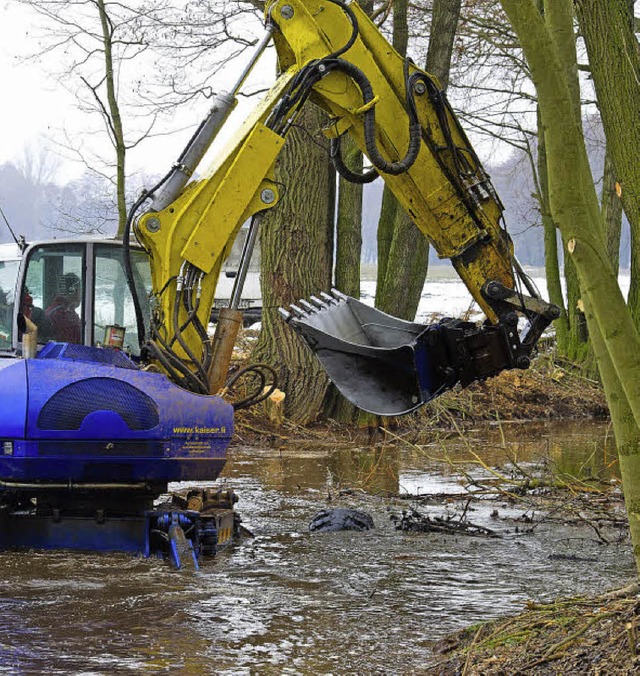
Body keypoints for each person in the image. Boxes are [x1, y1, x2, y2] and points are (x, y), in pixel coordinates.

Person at [45, 272, 82, 344]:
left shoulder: (53, 309)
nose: (81, 296)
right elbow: (75, 344)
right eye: (80, 291)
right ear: (73, 291)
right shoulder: (65, 316)